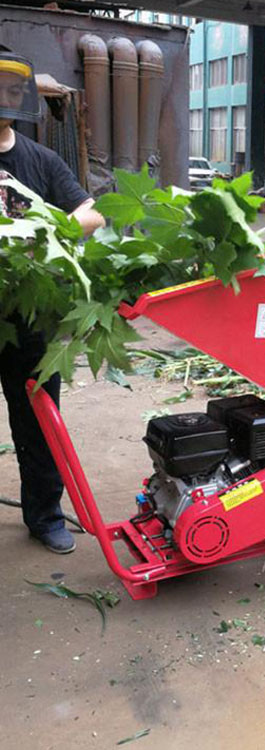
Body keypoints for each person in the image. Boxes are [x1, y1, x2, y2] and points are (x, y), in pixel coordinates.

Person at [0, 46, 104, 553]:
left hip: (30, 318)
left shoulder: (39, 160)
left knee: (38, 422)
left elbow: (91, 214)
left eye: (10, 89)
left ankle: (44, 514)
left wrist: (40, 228)